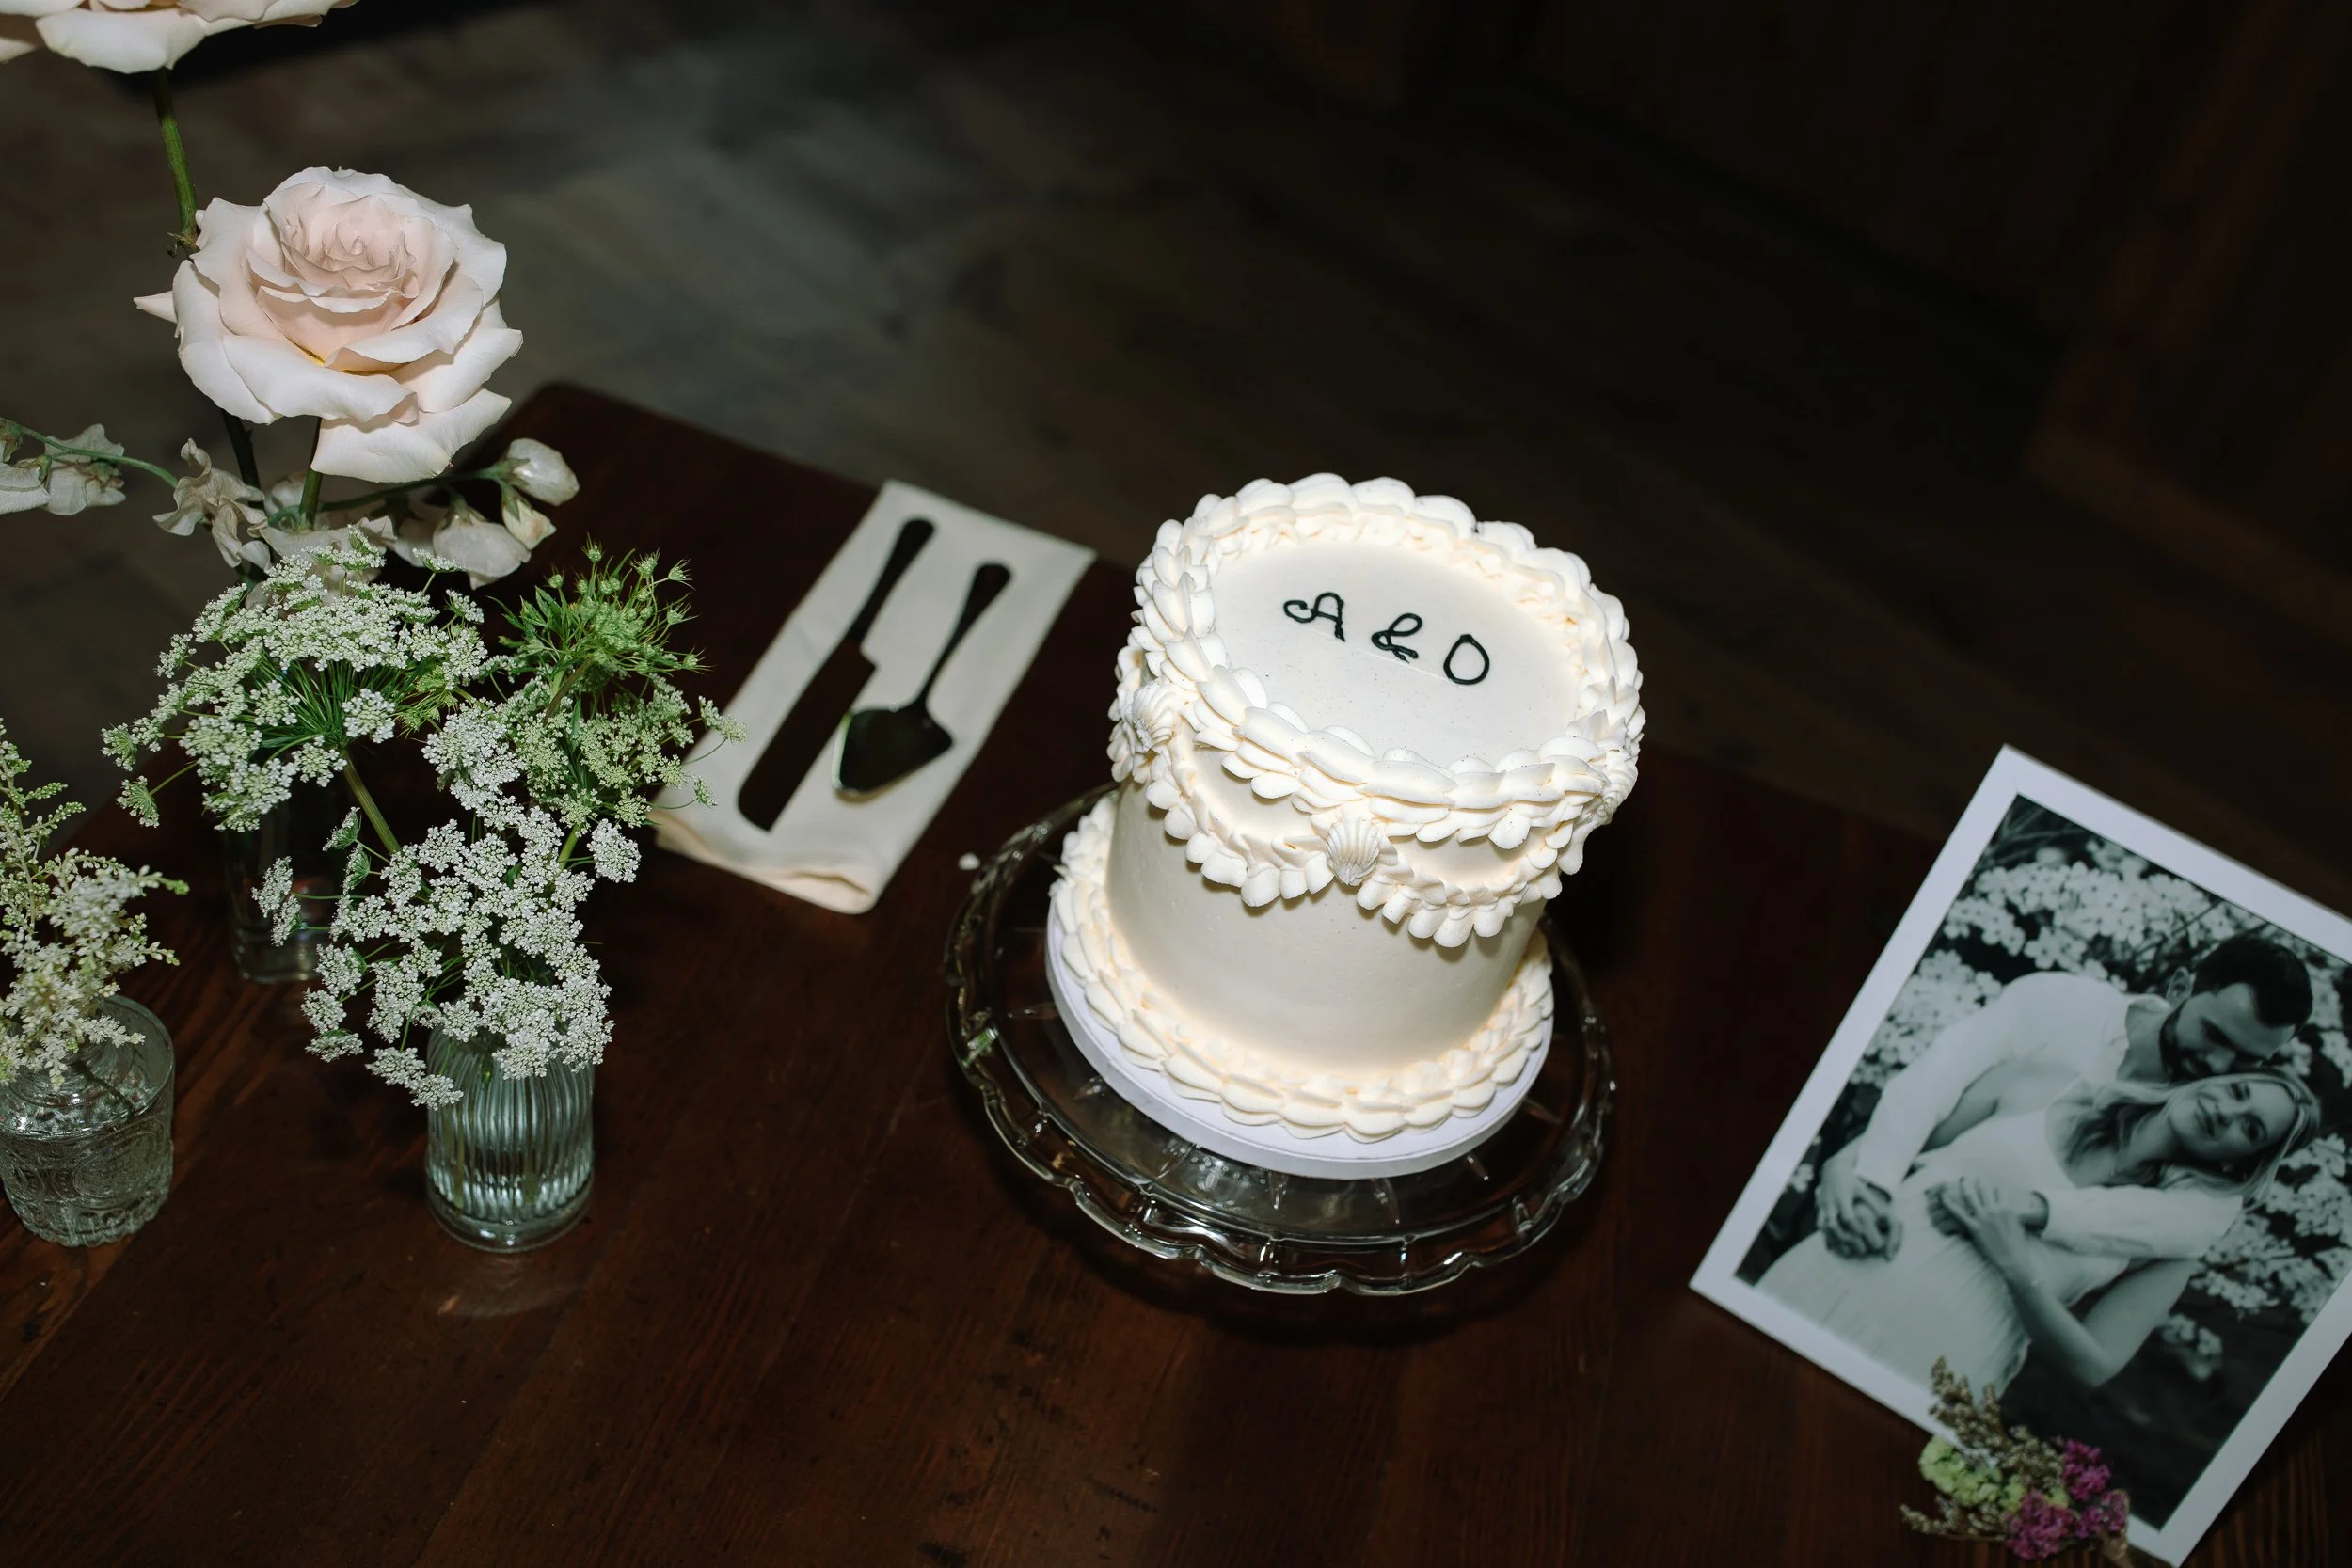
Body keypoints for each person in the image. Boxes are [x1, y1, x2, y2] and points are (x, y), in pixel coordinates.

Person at [1761, 1067, 2321, 1392]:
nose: (2226, 1111)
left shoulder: (2176, 1241)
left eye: (2249, 1127)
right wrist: (1840, 1173)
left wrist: (2015, 1265)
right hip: (1834, 1279)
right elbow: (1904, 1134)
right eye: (2239, 1090)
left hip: (1938, 1366)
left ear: (2239, 1165)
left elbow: (2095, 1363)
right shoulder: (2060, 1082)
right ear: (2221, 1076)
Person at [1814, 932, 2314, 1265]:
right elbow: (1938, 1081)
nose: (2220, 1067)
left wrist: (2033, 1208)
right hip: (1888, 1215)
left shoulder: (2205, 1133)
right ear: (2181, 986)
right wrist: (1863, 1174)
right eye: (2214, 1035)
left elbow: (2197, 1220)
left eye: (2248, 1061)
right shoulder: (2060, 1002)